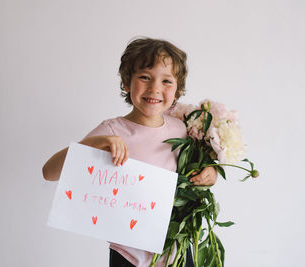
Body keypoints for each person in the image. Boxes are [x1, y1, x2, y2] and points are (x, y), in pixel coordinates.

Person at [42, 37, 218, 267]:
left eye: (166, 81)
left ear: (177, 92)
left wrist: (211, 174)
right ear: (127, 83)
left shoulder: (180, 128)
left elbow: (194, 173)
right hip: (128, 254)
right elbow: (49, 172)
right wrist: (96, 143)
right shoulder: (112, 131)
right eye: (144, 77)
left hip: (176, 250)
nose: (155, 88)